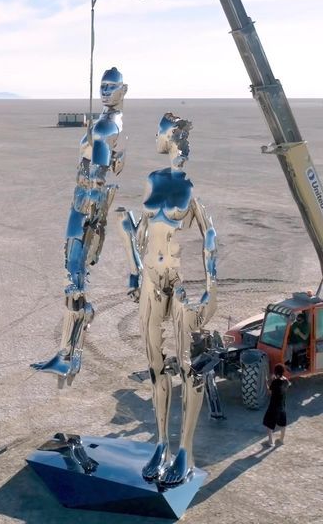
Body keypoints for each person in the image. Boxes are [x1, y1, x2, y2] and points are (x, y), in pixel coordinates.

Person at [117, 112, 217, 486]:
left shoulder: (189, 191)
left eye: (160, 131)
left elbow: (209, 237)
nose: (156, 137)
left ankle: (185, 451)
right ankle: (161, 443)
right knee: (156, 366)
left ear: (172, 135)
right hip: (149, 283)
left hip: (178, 283)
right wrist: (130, 256)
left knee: (189, 365)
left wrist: (212, 285)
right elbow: (142, 233)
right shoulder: (152, 181)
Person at [31, 67, 128, 386]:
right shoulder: (108, 121)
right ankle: (65, 354)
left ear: (123, 89)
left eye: (111, 86)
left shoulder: (108, 124)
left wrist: (92, 217)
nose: (104, 90)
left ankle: (71, 356)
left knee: (74, 283)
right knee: (71, 280)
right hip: (81, 204)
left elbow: (99, 177)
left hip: (85, 208)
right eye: (102, 85)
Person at [263, 363, 290, 446]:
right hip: (282, 406)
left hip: (273, 406)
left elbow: (270, 392)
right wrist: (275, 378)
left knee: (269, 424)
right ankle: (281, 440)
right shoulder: (286, 380)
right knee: (283, 424)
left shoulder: (275, 382)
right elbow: (286, 385)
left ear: (276, 372)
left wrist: (266, 383)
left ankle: (270, 442)